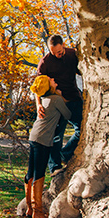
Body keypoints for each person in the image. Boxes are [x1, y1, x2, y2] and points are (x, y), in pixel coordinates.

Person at [25, 75, 71, 218]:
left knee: (30, 172)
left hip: (34, 136)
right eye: (51, 80)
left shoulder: (44, 100)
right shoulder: (56, 99)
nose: (54, 79)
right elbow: (68, 114)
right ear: (48, 85)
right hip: (43, 139)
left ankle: (29, 208)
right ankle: (37, 211)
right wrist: (62, 97)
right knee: (39, 173)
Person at [36, 35, 83, 176]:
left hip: (74, 98)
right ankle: (55, 166)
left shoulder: (72, 54)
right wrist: (39, 105)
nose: (57, 55)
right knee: (55, 136)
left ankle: (65, 154)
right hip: (56, 102)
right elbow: (37, 87)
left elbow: (83, 72)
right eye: (53, 52)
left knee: (82, 130)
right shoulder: (45, 62)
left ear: (63, 45)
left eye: (59, 52)